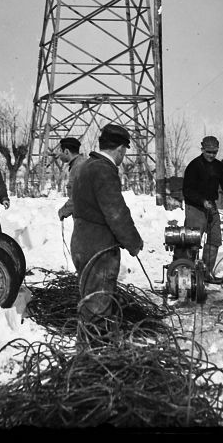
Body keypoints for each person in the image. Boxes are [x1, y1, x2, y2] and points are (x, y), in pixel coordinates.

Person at [70, 124, 144, 340]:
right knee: (98, 306)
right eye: (124, 151)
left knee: (89, 301)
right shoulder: (104, 170)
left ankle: (87, 348)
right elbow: (116, 213)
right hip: (99, 248)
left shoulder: (85, 166)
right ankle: (95, 353)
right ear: (120, 149)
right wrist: (134, 242)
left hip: (81, 243)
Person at [179, 136, 223, 284]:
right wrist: (202, 201)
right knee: (192, 241)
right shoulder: (194, 166)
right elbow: (187, 190)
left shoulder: (218, 166)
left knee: (214, 239)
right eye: (209, 152)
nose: (211, 155)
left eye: (214, 152)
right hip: (195, 207)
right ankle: (186, 276)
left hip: (211, 206)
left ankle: (206, 273)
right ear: (202, 149)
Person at [57, 137, 87, 221]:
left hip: (85, 219)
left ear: (66, 151)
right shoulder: (80, 164)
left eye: (60, 151)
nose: (59, 154)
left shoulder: (78, 167)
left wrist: (63, 211)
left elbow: (78, 196)